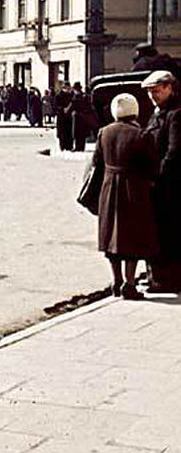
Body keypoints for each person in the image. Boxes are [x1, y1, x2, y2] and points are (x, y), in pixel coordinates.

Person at [92, 93, 159, 300]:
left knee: (111, 236)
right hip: (134, 189)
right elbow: (152, 166)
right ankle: (130, 284)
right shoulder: (142, 135)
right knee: (133, 236)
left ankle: (116, 280)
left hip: (109, 187)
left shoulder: (104, 133)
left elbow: (96, 162)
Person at [141, 70, 181, 292]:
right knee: (157, 232)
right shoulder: (158, 113)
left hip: (170, 186)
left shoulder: (176, 114)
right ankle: (159, 276)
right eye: (149, 92)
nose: (152, 96)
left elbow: (174, 152)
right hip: (157, 184)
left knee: (169, 233)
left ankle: (168, 280)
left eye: (156, 91)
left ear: (168, 88)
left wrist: (158, 179)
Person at [55, 82, 73, 151]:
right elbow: (56, 106)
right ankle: (63, 146)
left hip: (69, 117)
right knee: (62, 133)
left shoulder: (71, 96)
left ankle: (69, 146)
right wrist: (63, 109)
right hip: (61, 117)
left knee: (69, 132)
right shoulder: (59, 96)